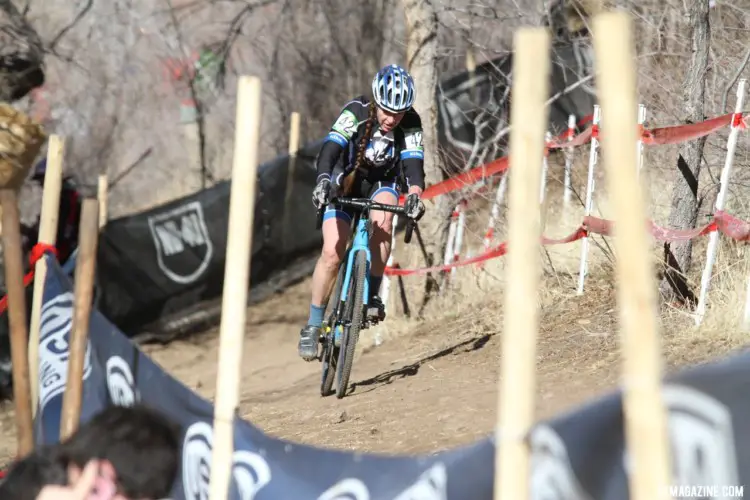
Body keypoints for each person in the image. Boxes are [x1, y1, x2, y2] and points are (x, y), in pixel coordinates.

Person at [298, 64, 427, 361]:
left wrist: (416, 196)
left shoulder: (411, 122)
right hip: (346, 178)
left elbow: (414, 166)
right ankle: (314, 323)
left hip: (382, 182)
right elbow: (330, 150)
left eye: (398, 113)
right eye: (386, 111)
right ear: (376, 102)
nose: (391, 119)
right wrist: (323, 182)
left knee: (383, 222)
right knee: (332, 252)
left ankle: (370, 296)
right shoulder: (357, 111)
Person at [21, 157, 82, 267]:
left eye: (43, 180)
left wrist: (30, 236)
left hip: (62, 256)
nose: (41, 185)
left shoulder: (65, 199)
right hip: (60, 252)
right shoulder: (65, 197)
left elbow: (55, 229)